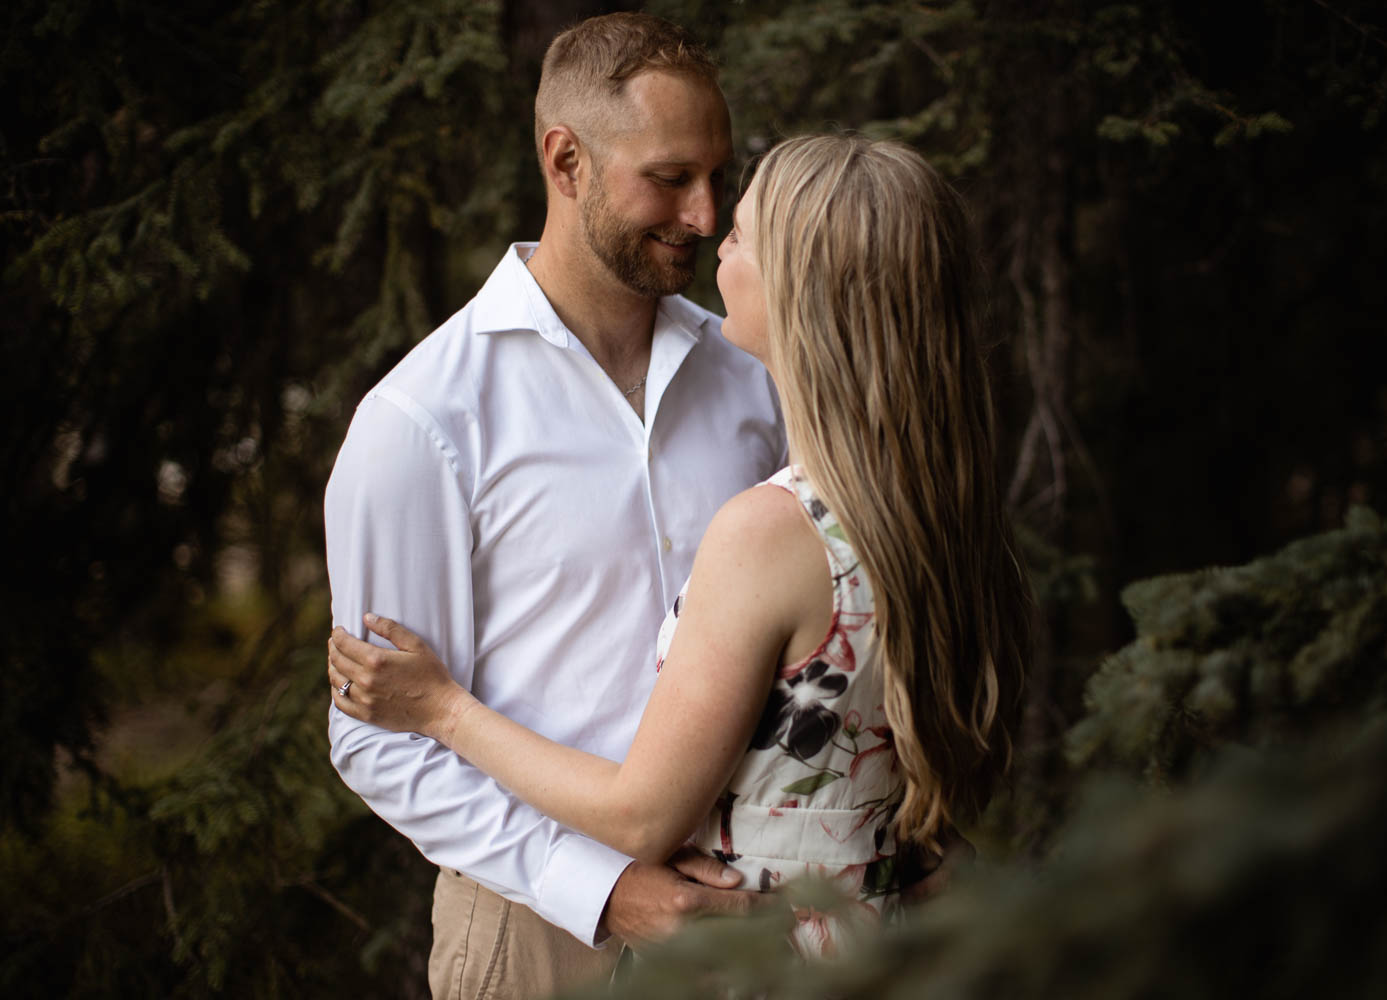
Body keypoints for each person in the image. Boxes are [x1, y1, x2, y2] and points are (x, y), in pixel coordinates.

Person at [328, 134, 1034, 960]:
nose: (706, 234)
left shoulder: (769, 525)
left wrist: (441, 709)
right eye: (676, 182)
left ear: (804, 290)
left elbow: (641, 815)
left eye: (738, 232)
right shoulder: (926, 499)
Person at [323, 13, 787, 999]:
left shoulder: (755, 381)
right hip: (527, 930)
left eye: (718, 175)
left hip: (744, 912)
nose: (705, 215)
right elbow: (374, 731)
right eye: (668, 177)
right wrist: (600, 886)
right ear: (565, 159)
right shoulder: (422, 418)